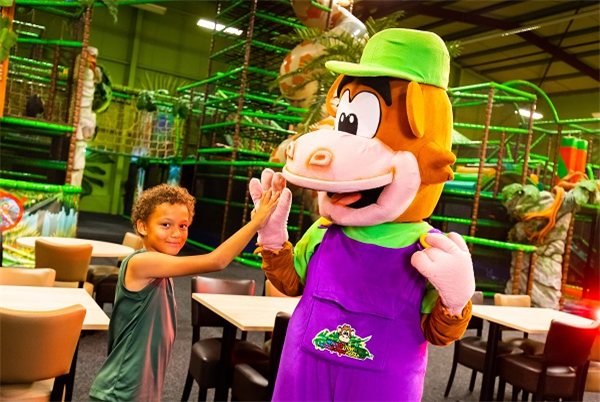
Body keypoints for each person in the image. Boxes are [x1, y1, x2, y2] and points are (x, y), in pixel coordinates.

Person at [89, 183, 280, 402]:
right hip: (118, 392)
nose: (176, 234)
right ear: (142, 226)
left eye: (183, 225)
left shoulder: (163, 268)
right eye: (165, 224)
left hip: (140, 391)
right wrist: (256, 223)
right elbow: (216, 261)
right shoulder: (141, 263)